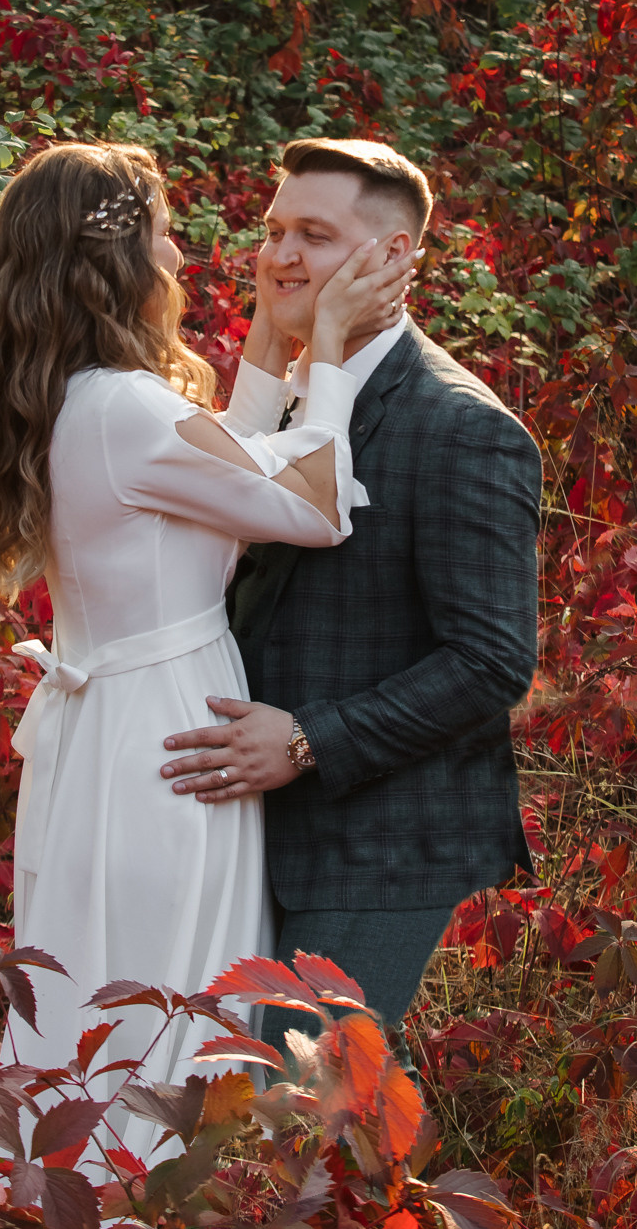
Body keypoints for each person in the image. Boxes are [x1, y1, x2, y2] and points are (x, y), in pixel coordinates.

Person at [0, 139, 406, 1133]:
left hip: (115, 733)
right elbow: (308, 503)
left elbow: (207, 525)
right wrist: (328, 351)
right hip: (166, 747)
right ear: (117, 265)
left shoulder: (80, 403)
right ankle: (145, 1228)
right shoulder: (125, 409)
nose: (182, 262)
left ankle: (81, 1221)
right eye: (165, 239)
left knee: (106, 992)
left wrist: (269, 352)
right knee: (167, 1005)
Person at [160, 136, 541, 1057]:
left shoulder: (460, 428)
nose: (282, 256)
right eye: (275, 230)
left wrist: (305, 740)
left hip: (382, 840)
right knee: (254, 1110)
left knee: (304, 1105)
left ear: (392, 256)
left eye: (315, 236)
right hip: (257, 830)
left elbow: (491, 661)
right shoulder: (294, 400)